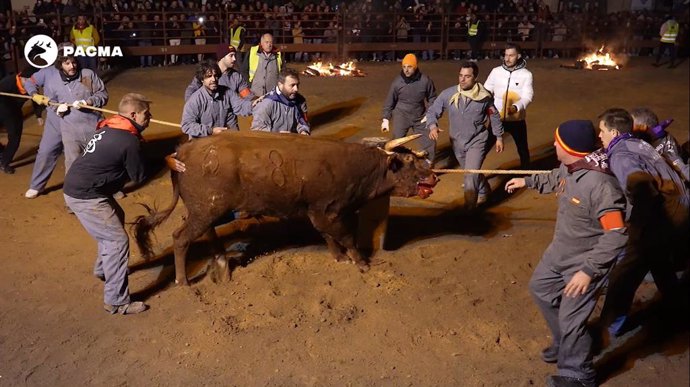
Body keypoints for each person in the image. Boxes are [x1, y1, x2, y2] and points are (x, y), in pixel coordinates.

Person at [505, 120, 628, 387]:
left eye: (556, 143)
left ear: (570, 148)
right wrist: (526, 181)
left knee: (571, 316)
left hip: (584, 262)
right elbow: (555, 177)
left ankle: (579, 374)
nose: (553, 145)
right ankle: (566, 342)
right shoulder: (572, 166)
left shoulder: (600, 186)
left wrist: (588, 271)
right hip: (560, 251)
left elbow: (617, 233)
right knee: (540, 289)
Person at [597, 108, 689, 338]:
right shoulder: (640, 144)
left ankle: (609, 328)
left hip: (662, 217)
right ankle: (678, 309)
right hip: (680, 211)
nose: (599, 136)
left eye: (602, 131)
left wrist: (636, 233)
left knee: (623, 273)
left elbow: (643, 192)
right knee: (659, 262)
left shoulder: (621, 155)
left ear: (614, 132)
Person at [63, 93, 155, 315]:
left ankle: (104, 269)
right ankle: (116, 301)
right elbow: (140, 177)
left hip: (82, 187)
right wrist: (164, 161)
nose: (149, 118)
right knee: (116, 240)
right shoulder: (128, 140)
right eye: (146, 114)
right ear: (133, 114)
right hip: (86, 195)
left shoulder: (109, 127)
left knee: (116, 220)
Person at [23, 45, 108, 199]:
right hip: (56, 121)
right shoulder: (47, 73)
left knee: (98, 153)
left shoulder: (86, 74)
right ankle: (36, 185)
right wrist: (35, 95)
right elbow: (29, 82)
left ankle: (108, 185)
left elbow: (101, 94)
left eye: (73, 61)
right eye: (66, 62)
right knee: (46, 151)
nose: (71, 66)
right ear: (59, 60)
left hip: (86, 120)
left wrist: (89, 102)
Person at [425, 61, 503, 210]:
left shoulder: (484, 98)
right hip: (456, 142)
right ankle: (484, 189)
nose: (462, 79)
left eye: (467, 76)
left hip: (477, 141)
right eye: (460, 75)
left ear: (475, 78)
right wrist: (433, 125)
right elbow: (433, 111)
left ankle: (469, 209)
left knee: (469, 175)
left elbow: (494, 116)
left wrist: (498, 136)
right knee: (471, 172)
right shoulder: (449, 94)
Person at [381, 53, 437, 165]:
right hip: (401, 115)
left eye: (409, 67)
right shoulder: (397, 83)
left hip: (420, 116)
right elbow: (389, 102)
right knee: (395, 142)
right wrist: (385, 119)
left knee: (430, 141)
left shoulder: (425, 81)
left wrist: (430, 114)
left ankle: (427, 165)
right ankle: (394, 165)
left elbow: (432, 98)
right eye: (404, 67)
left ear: (415, 66)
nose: (406, 70)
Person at [484, 43, 534, 169]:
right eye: (506, 55)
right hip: (497, 119)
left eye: (511, 55)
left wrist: (516, 107)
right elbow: (486, 91)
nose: (507, 58)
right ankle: (472, 176)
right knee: (482, 148)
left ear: (519, 56)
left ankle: (526, 176)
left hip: (517, 120)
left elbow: (528, 96)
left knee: (523, 150)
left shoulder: (526, 74)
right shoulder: (496, 72)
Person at [181, 60, 252, 138]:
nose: (214, 79)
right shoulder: (194, 100)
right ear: (202, 80)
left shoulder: (228, 93)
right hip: (201, 143)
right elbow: (186, 125)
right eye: (209, 76)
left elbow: (240, 106)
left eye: (215, 75)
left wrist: (254, 105)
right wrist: (210, 131)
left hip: (223, 140)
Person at [0, 66, 45, 174]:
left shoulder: (31, 87)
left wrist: (38, 115)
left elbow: (35, 100)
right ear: (22, 78)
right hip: (3, 107)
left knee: (15, 138)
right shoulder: (7, 82)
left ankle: (4, 162)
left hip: (14, 113)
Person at [630, 107, 689, 182]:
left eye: (631, 125)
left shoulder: (666, 146)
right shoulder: (646, 138)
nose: (628, 127)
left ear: (643, 127)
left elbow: (683, 170)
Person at [183, 44, 253, 102]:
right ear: (222, 57)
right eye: (231, 56)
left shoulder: (236, 76)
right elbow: (191, 89)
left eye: (234, 56)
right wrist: (192, 105)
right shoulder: (207, 72)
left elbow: (245, 93)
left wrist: (255, 100)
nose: (234, 59)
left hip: (227, 116)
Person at [251, 67, 309, 135]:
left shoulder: (300, 101)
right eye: (292, 85)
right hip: (270, 143)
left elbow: (303, 121)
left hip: (292, 143)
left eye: (297, 85)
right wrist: (277, 135)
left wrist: (304, 131)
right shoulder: (266, 104)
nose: (296, 89)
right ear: (280, 85)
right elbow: (257, 130)